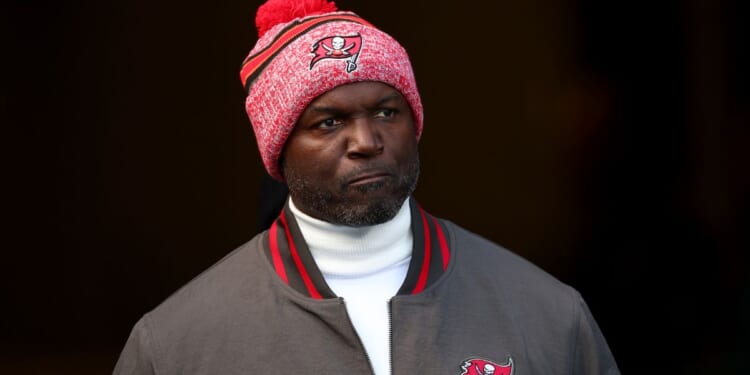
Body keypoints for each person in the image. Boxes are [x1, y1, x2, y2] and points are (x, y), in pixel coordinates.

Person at [113, 0, 620, 374]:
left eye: (385, 112)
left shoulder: (547, 314)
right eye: (329, 122)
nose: (367, 141)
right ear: (278, 147)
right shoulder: (176, 345)